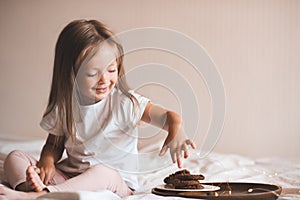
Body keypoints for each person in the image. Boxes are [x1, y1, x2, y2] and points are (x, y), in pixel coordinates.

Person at [0, 19, 196, 199]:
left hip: (114, 183)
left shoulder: (125, 103)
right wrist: (47, 162)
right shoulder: (65, 106)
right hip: (70, 178)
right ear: (71, 74)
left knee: (102, 172)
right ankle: (32, 188)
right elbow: (53, 146)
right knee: (14, 157)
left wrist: (177, 130)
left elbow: (168, 117)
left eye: (111, 70)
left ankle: (41, 196)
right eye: (93, 73)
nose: (104, 79)